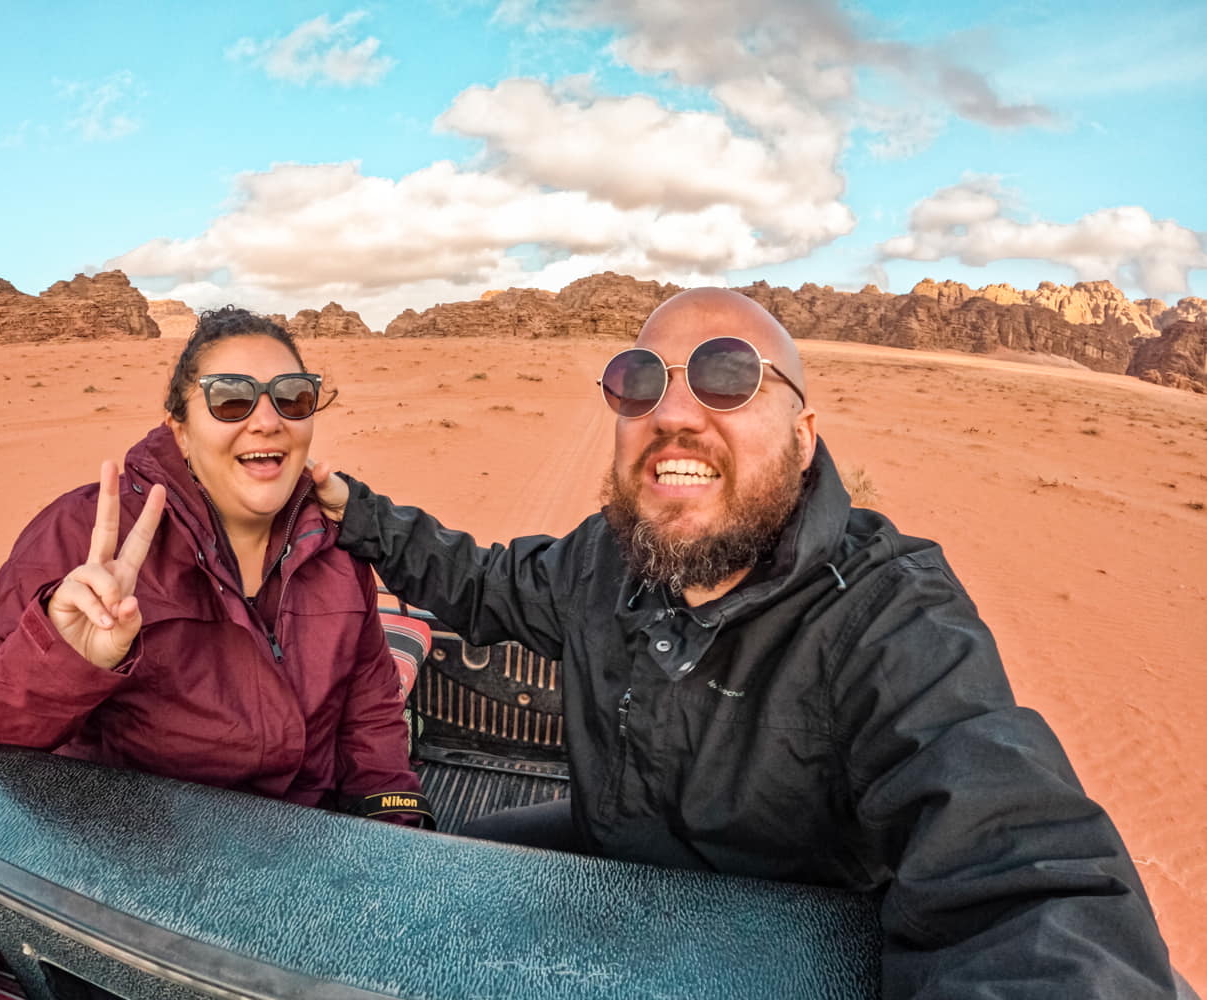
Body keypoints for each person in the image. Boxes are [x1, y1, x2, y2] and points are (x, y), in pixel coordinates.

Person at [310, 288, 1179, 997]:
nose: (674, 413)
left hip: (780, 936)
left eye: (728, 378)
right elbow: (484, 582)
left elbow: (1022, 871)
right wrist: (359, 514)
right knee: (428, 878)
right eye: (639, 382)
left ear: (804, 438)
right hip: (622, 848)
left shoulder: (887, 610)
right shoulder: (603, 561)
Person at [0, 306, 427, 826]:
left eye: (292, 396)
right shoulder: (83, 536)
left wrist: (395, 830)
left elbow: (368, 709)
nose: (268, 421)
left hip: (311, 841)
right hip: (146, 860)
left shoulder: (331, 538)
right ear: (181, 429)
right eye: (231, 399)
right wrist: (61, 660)